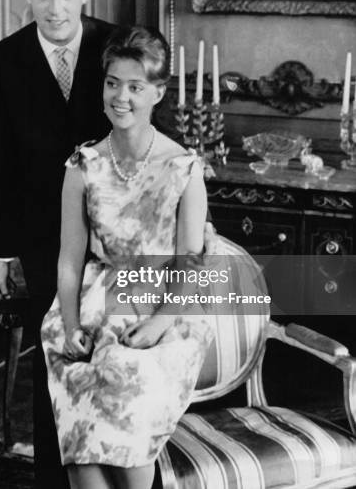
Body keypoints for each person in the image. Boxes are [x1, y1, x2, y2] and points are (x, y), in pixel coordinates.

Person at [40, 26, 216, 489]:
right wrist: (74, 324)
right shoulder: (83, 165)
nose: (121, 97)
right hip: (97, 300)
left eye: (135, 87)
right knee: (81, 400)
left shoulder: (183, 166)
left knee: (122, 371)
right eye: (112, 83)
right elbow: (69, 262)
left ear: (158, 92)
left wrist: (158, 324)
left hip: (167, 307)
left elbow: (191, 263)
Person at [0, 0, 115, 488]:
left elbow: (150, 132)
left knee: (114, 355)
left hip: (114, 233)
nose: (55, 8)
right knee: (55, 353)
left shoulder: (114, 44)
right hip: (42, 239)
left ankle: (116, 467)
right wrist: (2, 250)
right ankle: (54, 479)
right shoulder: (2, 61)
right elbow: (0, 163)